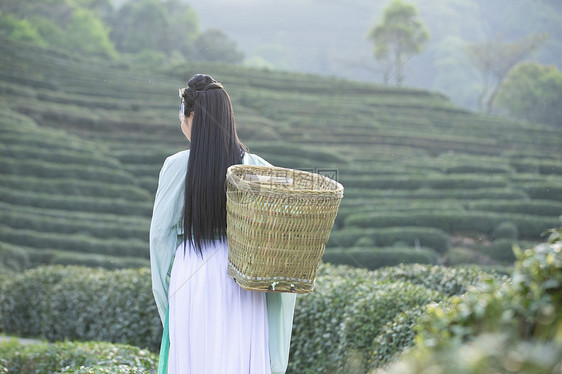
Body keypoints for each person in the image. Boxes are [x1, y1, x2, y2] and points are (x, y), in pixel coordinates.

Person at [149, 73, 297, 374]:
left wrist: (168, 303)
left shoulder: (177, 166)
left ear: (192, 117)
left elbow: (160, 239)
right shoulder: (256, 166)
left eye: (182, 115)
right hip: (242, 277)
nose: (180, 122)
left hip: (192, 275)